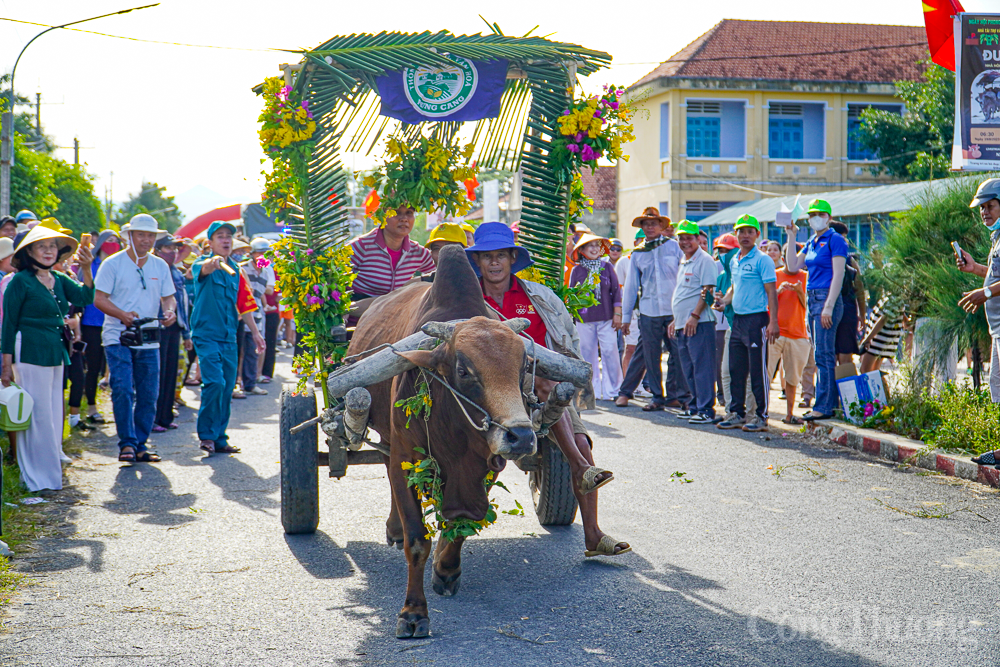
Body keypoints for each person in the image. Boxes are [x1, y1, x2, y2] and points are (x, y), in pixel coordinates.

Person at [468, 222, 629, 557]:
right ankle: (578, 467)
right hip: (485, 390)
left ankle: (593, 534)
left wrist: (567, 373)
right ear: (478, 262)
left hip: (541, 385)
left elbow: (566, 343)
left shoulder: (539, 296)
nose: (494, 263)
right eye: (487, 257)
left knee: (583, 440)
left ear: (513, 258)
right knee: (544, 382)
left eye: (501, 256)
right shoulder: (468, 301)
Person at [1, 225, 94, 492]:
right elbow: (9, 324)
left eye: (52, 246)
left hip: (56, 350)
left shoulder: (59, 278)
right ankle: (35, 475)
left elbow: (85, 297)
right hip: (30, 350)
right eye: (42, 246)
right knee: (38, 414)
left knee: (54, 412)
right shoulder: (20, 281)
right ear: (29, 251)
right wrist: (6, 366)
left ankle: (50, 472)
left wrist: (87, 269)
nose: (48, 251)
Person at [94, 214, 177, 463]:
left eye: (150, 235)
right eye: (141, 234)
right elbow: (99, 299)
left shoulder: (160, 265)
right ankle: (127, 444)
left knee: (149, 392)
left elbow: (168, 297)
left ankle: (140, 444)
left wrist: (170, 310)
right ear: (129, 236)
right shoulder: (112, 263)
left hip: (150, 336)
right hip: (117, 335)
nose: (146, 239)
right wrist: (122, 315)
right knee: (122, 389)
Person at [190, 221, 265, 455]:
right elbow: (204, 269)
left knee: (227, 387)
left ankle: (220, 437)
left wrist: (255, 332)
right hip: (206, 335)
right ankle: (206, 436)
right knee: (215, 382)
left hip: (229, 336)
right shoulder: (201, 264)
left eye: (228, 237)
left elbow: (245, 305)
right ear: (210, 243)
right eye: (219, 236)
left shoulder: (237, 271)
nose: (225, 240)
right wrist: (213, 263)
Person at [616, 207, 691, 411]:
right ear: (642, 228)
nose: (650, 227)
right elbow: (631, 287)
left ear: (661, 226)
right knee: (651, 355)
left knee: (678, 353)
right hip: (649, 311)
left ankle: (678, 395)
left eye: (654, 224)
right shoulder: (638, 254)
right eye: (646, 224)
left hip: (673, 310)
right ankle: (657, 397)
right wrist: (625, 317)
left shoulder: (674, 247)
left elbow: (684, 277)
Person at [782, 199, 848, 421]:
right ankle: (826, 403)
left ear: (829, 217)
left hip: (826, 299)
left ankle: (825, 406)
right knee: (820, 353)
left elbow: (839, 275)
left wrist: (828, 307)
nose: (814, 217)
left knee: (823, 354)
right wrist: (791, 236)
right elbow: (792, 266)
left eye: (819, 214)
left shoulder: (835, 240)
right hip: (812, 299)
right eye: (811, 214)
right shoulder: (812, 240)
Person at [716, 215, 779, 432]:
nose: (745, 236)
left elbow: (772, 292)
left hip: (757, 320)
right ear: (736, 234)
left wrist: (773, 322)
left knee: (757, 371)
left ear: (757, 235)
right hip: (738, 321)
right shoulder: (735, 260)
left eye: (749, 231)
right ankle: (737, 413)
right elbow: (734, 287)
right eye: (741, 231)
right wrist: (724, 301)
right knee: (735, 369)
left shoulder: (763, 260)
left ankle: (761, 416)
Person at [956, 179, 1000, 466]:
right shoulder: (997, 239)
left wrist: (984, 292)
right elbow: (995, 276)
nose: (985, 212)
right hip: (997, 328)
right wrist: (977, 270)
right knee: (997, 387)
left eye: (990, 206)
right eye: (982, 208)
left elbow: (993, 287)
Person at [668, 220, 719, 424]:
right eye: (681, 238)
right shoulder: (685, 260)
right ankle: (695, 406)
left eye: (689, 238)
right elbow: (684, 293)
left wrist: (695, 316)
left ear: (698, 239)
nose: (685, 242)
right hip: (683, 323)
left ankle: (706, 409)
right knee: (688, 367)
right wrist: (676, 319)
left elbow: (707, 292)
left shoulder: (704, 260)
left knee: (702, 367)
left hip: (700, 323)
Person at [567, 233, 623, 401]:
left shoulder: (607, 267)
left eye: (596, 245)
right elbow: (571, 295)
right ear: (582, 250)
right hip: (584, 320)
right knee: (587, 355)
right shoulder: (576, 270)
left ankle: (613, 390)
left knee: (610, 352)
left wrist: (618, 314)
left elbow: (616, 292)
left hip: (607, 318)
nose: (593, 248)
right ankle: (590, 391)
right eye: (589, 246)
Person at [75, 230, 120, 427]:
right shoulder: (89, 265)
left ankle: (119, 408)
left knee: (114, 368)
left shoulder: (120, 264)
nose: (113, 244)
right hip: (92, 323)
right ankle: (92, 407)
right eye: (109, 240)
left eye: (116, 241)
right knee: (93, 367)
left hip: (116, 321)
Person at [349, 206, 435, 300]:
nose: (404, 219)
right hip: (358, 310)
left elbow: (438, 274)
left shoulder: (418, 252)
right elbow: (334, 280)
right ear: (383, 216)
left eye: (409, 212)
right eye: (396, 212)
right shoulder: (361, 246)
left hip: (398, 310)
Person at [152, 234, 192, 431]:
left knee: (170, 373)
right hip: (157, 326)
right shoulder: (153, 268)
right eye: (168, 248)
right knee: (156, 373)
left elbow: (182, 305)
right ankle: (153, 417)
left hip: (175, 325)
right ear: (157, 250)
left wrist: (186, 334)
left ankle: (165, 416)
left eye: (174, 248)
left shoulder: (175, 271)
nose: (173, 252)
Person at [768, 241, 810, 425]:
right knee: (765, 374)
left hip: (798, 334)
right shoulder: (773, 275)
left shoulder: (807, 277)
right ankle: (761, 413)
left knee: (793, 377)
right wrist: (777, 291)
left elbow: (809, 307)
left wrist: (800, 291)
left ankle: (789, 414)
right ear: (784, 259)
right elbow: (765, 303)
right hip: (774, 333)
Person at [240, 238, 275, 395]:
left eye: (266, 254)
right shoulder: (243, 269)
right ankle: (237, 383)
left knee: (254, 350)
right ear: (252, 254)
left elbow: (261, 294)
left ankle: (250, 383)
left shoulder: (267, 272)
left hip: (258, 315)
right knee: (239, 350)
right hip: (242, 314)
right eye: (260, 253)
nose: (263, 257)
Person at [829, 221, 866, 365]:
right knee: (840, 355)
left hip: (844, 311)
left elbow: (860, 288)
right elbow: (860, 289)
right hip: (844, 310)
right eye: (842, 237)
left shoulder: (849, 261)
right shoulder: (849, 260)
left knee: (839, 355)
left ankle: (838, 387)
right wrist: (862, 314)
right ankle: (842, 387)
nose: (845, 241)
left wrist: (862, 314)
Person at [712, 234, 738, 412]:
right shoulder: (722, 276)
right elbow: (719, 302)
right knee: (726, 370)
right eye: (720, 250)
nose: (723, 254)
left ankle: (752, 412)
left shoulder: (742, 269)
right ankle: (730, 409)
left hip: (747, 325)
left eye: (727, 250)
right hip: (729, 326)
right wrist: (718, 302)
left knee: (748, 373)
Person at [859, 294, 906, 373]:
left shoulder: (895, 299)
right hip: (879, 339)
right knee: (873, 372)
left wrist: (867, 339)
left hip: (878, 340)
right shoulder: (890, 297)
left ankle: (881, 385)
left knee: (865, 371)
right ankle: (881, 385)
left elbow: (883, 320)